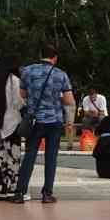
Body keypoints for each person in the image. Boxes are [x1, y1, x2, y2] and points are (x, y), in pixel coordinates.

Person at [15, 44, 73, 204]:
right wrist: (56, 98)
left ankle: (20, 192)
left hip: (35, 121)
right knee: (51, 157)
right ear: (55, 58)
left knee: (30, 155)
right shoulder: (61, 74)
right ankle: (47, 193)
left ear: (41, 55)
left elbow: (23, 93)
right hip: (54, 121)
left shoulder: (28, 71)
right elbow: (69, 100)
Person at [0, 65, 26, 201]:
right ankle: (11, 188)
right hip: (12, 123)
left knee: (0, 157)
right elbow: (18, 102)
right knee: (13, 157)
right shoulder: (14, 80)